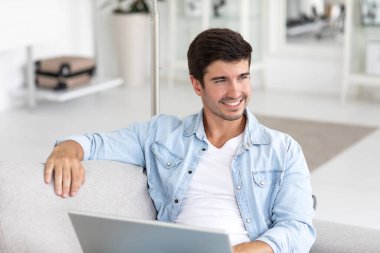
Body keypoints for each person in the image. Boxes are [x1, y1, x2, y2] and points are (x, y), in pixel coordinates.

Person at [44, 28, 316, 252]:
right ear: (197, 85)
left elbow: (299, 227)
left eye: (243, 77)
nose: (236, 91)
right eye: (221, 80)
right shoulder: (161, 134)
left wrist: (252, 249)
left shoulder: (283, 149)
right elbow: (97, 143)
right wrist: (66, 149)